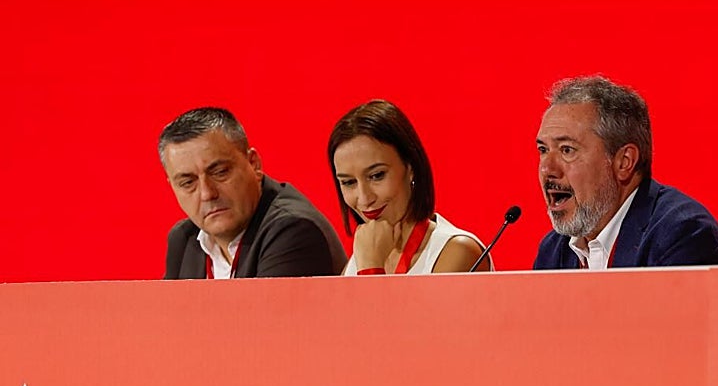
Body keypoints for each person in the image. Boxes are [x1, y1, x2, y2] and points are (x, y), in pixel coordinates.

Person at [532, 75, 718, 269]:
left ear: (624, 162)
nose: (547, 169)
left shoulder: (683, 236)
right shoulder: (554, 251)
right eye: (543, 150)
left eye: (567, 150)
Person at [161, 107, 347, 279]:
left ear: (253, 164)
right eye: (187, 183)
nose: (207, 194)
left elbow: (263, 315)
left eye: (220, 173)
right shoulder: (184, 239)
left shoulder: (293, 230)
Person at [329, 100, 488, 274]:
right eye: (349, 182)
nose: (365, 198)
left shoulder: (457, 252)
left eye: (377, 176)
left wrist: (371, 269)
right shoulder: (360, 258)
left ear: (410, 167)